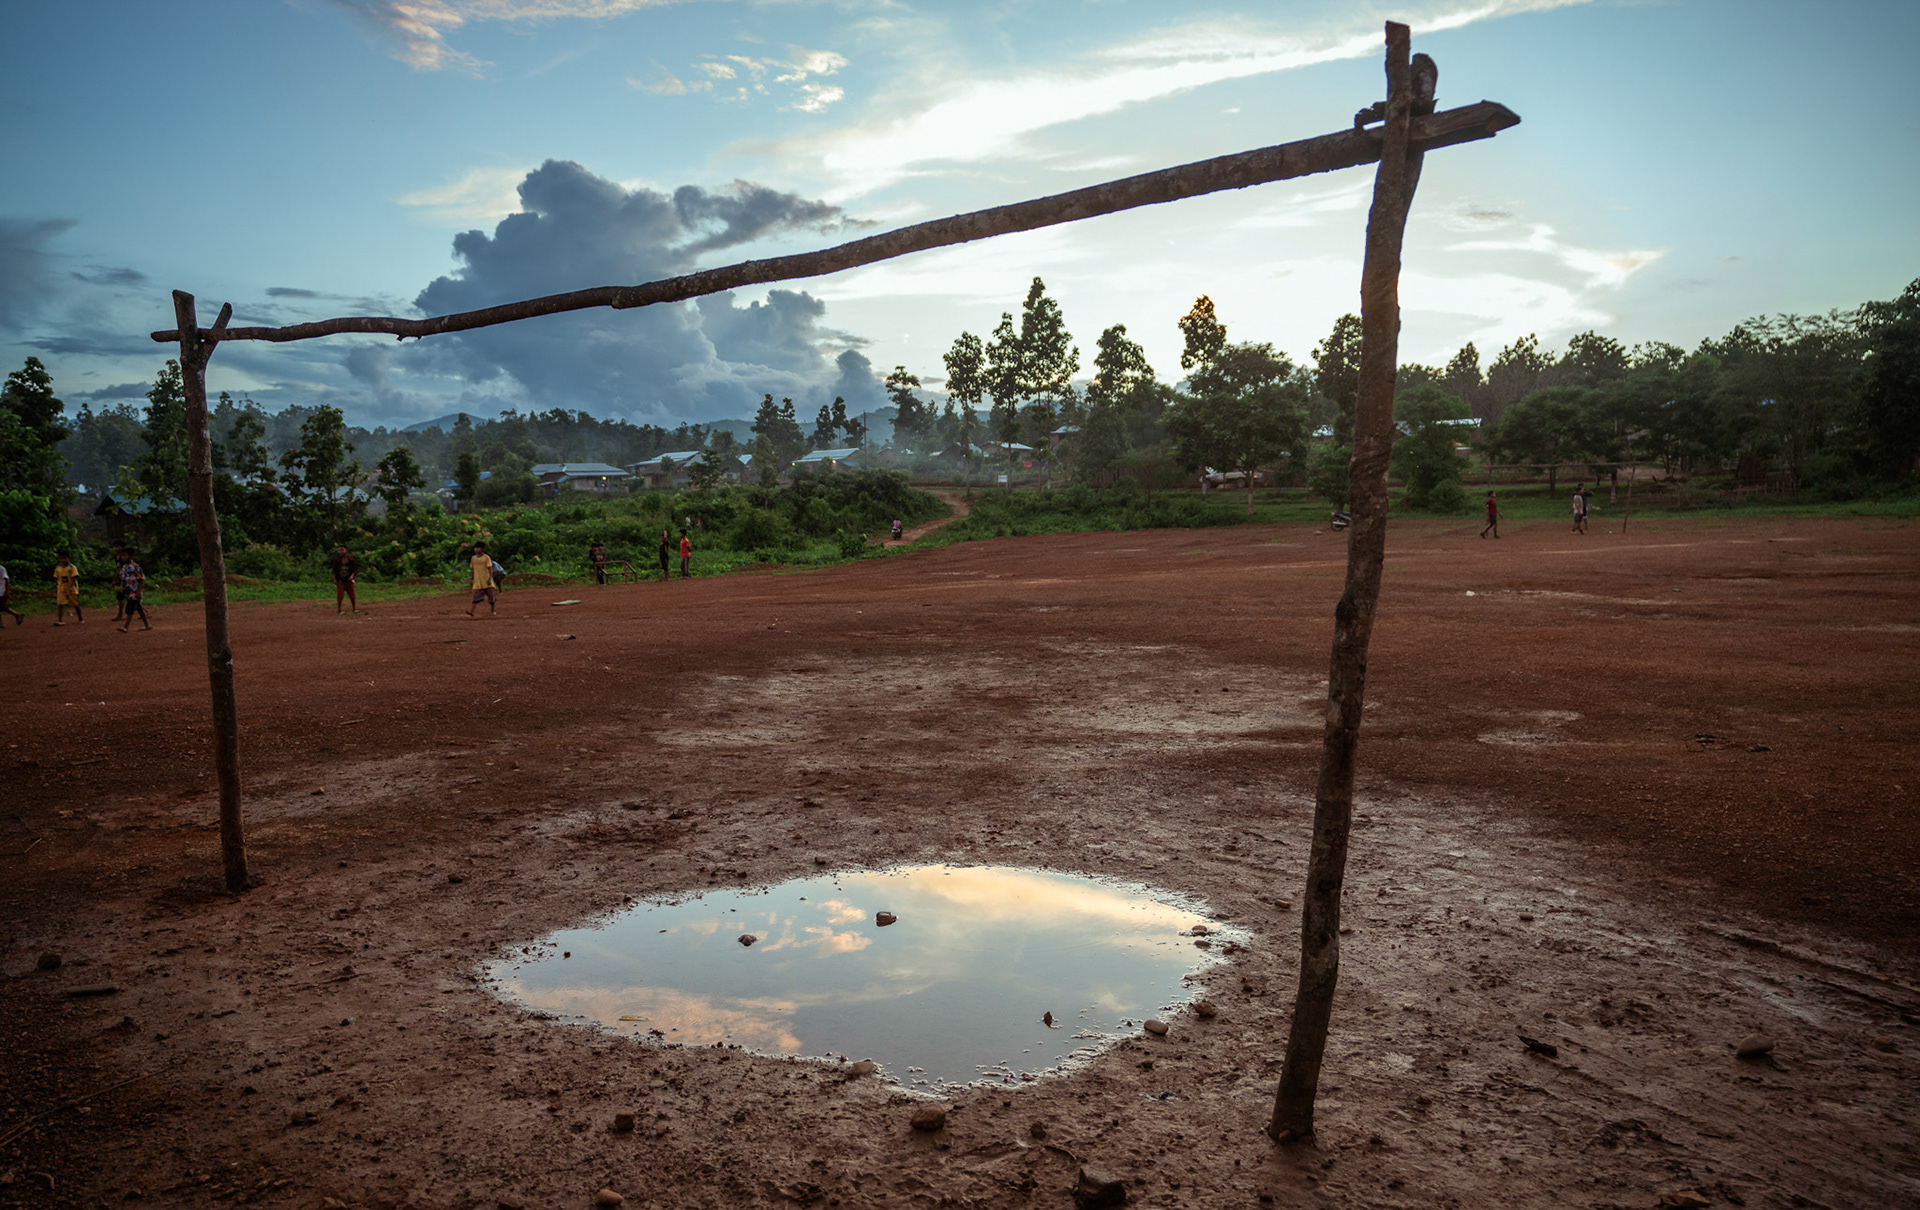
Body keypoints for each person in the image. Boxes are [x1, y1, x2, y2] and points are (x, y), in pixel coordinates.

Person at [117, 549, 151, 632]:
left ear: (130, 556)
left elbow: (142, 579)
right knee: (139, 608)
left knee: (130, 608)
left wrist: (139, 591)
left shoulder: (136, 566)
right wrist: (121, 586)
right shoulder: (124, 567)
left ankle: (126, 627)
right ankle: (147, 625)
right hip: (128, 591)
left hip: (134, 591)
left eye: (125, 555)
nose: (123, 557)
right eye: (122, 555)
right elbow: (123, 579)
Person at [466, 541, 497, 617]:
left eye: (478, 548)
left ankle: (492, 610)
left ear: (482, 549)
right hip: (478, 581)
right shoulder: (473, 558)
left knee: (491, 597)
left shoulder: (486, 557)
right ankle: (471, 611)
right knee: (475, 596)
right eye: (475, 548)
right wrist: (471, 579)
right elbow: (473, 570)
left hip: (486, 579)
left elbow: (490, 568)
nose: (476, 549)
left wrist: (490, 578)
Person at [53, 551, 83, 625]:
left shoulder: (72, 567)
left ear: (68, 559)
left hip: (71, 588)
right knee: (60, 604)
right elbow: (56, 578)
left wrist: (71, 586)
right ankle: (60, 620)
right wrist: (56, 587)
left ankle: (80, 618)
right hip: (61, 588)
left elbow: (74, 578)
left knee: (76, 604)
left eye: (64, 558)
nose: (63, 560)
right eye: (61, 559)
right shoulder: (58, 568)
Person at [330, 544, 360, 613]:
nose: (341, 552)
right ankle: (339, 609)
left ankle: (354, 608)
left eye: (342, 550)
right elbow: (334, 570)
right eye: (339, 550)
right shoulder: (337, 560)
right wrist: (334, 578)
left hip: (349, 580)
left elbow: (354, 570)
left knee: (352, 595)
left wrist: (352, 576)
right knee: (340, 596)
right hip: (340, 580)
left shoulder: (351, 560)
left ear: (346, 550)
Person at [109, 540, 129, 621]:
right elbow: (118, 569)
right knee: (123, 597)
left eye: (117, 546)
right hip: (123, 579)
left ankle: (120, 615)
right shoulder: (117, 557)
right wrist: (115, 580)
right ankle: (120, 614)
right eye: (114, 547)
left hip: (128, 579)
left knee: (126, 596)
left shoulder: (126, 557)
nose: (115, 548)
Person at [0, 559, 24, 626]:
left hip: (1, 591)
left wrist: (6, 591)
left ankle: (17, 614)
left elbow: (7, 579)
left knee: (3, 607)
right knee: (2, 607)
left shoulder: (2, 569)